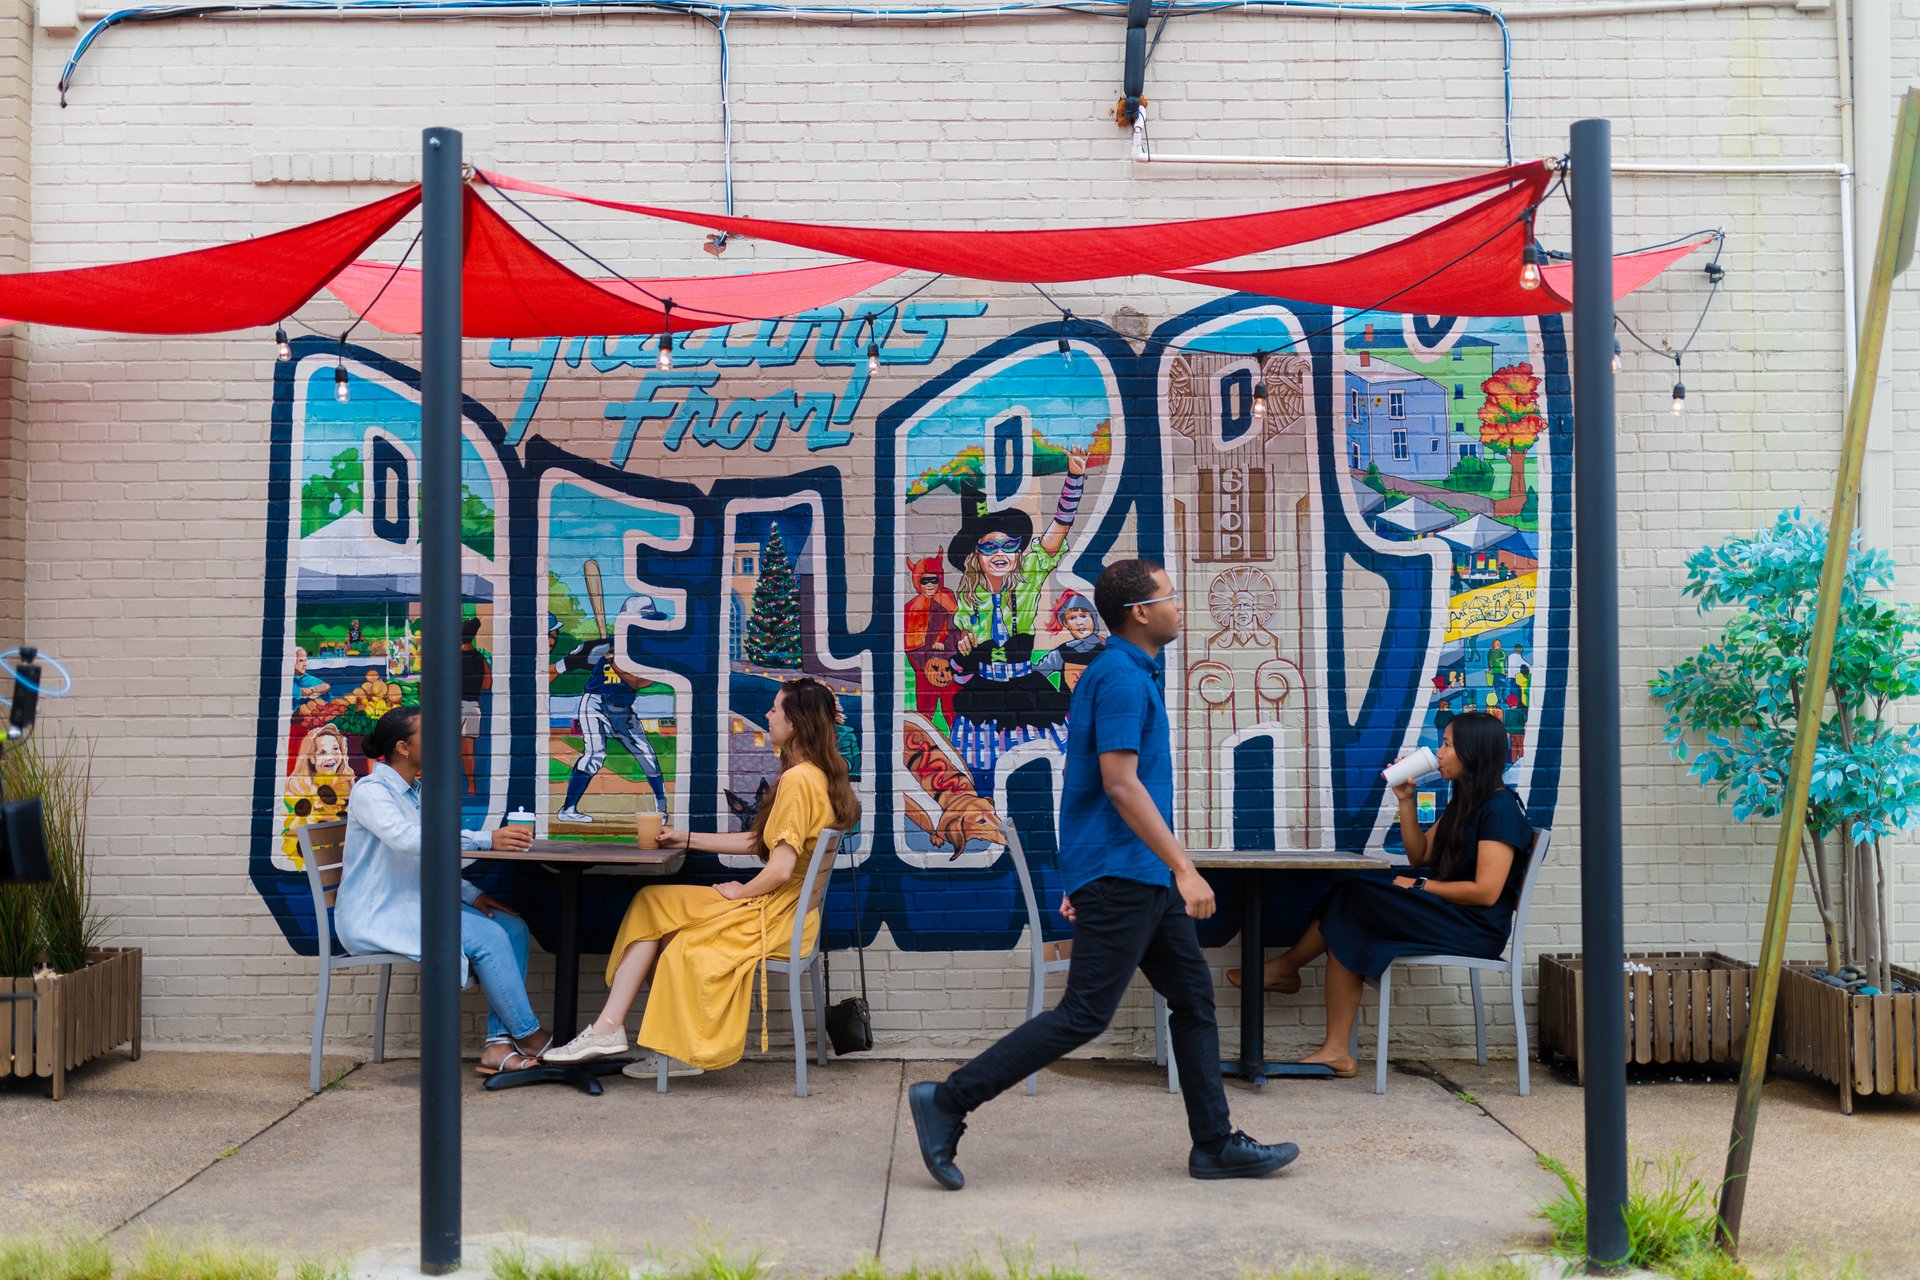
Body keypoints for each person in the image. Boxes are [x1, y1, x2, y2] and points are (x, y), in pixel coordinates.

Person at [908, 558, 1299, 1190]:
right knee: (1085, 1014)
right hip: (1129, 872)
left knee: (1193, 1001)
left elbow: (1087, 783)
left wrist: (1094, 876)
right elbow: (1119, 784)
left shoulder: (1121, 672)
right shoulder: (1119, 676)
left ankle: (1214, 1145)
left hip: (1131, 874)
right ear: (1141, 612)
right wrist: (1184, 868)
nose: (1180, 606)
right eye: (1170, 597)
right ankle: (949, 1099)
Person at [543, 676, 859, 1078]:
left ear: (795, 722)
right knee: (651, 901)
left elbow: (779, 868)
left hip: (774, 915)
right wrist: (685, 838)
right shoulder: (817, 774)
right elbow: (758, 841)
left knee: (677, 940)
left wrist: (740, 892)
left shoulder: (799, 781)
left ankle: (638, 1039)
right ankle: (617, 1030)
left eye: (775, 709)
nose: (768, 715)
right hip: (790, 910)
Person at [1230, 710, 1531, 1077]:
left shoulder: (1500, 810)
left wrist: (1421, 885)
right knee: (1350, 904)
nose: (1439, 753)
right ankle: (1332, 1046)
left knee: (1353, 899)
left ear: (1474, 752)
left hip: (1474, 926)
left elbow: (1486, 893)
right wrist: (1405, 800)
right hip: (1451, 912)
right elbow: (1419, 855)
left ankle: (1288, 973)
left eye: (1448, 745)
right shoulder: (1465, 803)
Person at [333, 706, 549, 1074]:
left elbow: (425, 858)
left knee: (511, 927)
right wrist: (485, 839)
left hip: (414, 903)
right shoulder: (372, 791)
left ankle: (498, 1047)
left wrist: (469, 894)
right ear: (403, 747)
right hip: (378, 915)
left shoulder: (414, 792)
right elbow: (407, 841)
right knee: (488, 938)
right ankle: (529, 1036)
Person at [946, 455, 1087, 794]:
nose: (1001, 552)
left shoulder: (1029, 576)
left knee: (1043, 770)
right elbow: (960, 675)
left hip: (1027, 693)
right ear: (976, 553)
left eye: (1009, 545)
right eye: (990, 545)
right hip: (983, 701)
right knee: (982, 776)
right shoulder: (967, 601)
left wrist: (1075, 478)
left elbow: (1058, 529)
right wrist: (964, 657)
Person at [550, 595, 670, 822]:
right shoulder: (604, 646)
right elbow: (558, 667)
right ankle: (568, 810)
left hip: (623, 710)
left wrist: (616, 661)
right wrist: (594, 652)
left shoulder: (650, 652)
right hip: (595, 703)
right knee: (594, 754)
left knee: (648, 757)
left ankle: (662, 810)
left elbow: (640, 682)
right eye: (645, 621)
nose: (649, 626)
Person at [460, 616, 491, 795]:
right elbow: (487, 684)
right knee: (468, 751)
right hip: (472, 706)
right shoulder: (480, 658)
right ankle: (471, 784)